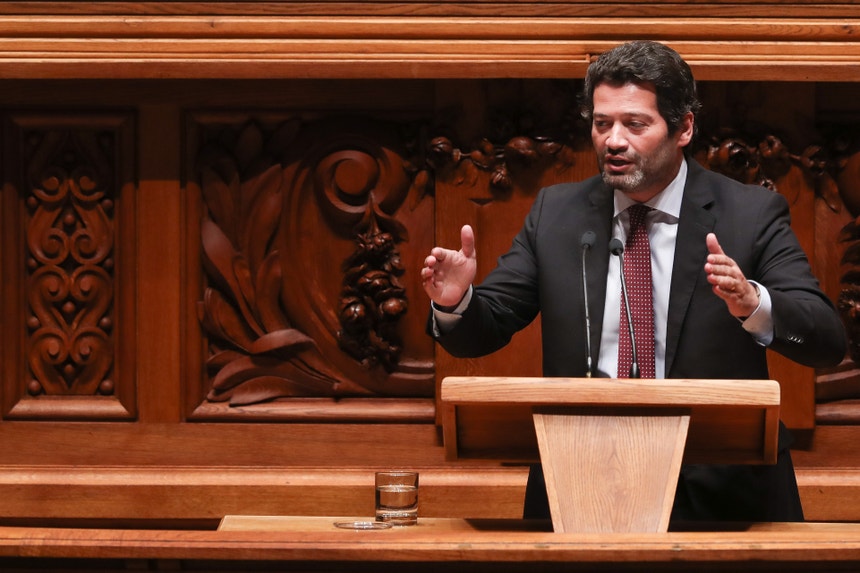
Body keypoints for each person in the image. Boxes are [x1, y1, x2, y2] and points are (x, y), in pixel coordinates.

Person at [421, 40, 847, 525]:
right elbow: (487, 327)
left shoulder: (750, 215)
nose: (613, 141)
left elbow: (825, 340)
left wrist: (754, 305)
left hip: (720, 492)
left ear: (684, 128)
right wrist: (456, 302)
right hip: (579, 481)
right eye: (602, 124)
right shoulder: (556, 213)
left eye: (635, 124)